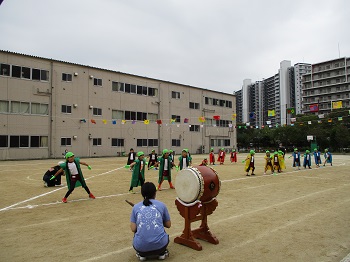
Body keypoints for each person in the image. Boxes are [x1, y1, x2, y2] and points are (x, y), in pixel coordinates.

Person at [130, 182, 171, 261]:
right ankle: (161, 253)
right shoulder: (161, 205)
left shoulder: (136, 207)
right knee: (161, 230)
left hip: (141, 247)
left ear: (142, 193)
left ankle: (142, 254)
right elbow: (168, 224)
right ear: (155, 193)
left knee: (138, 230)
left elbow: (133, 229)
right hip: (160, 246)